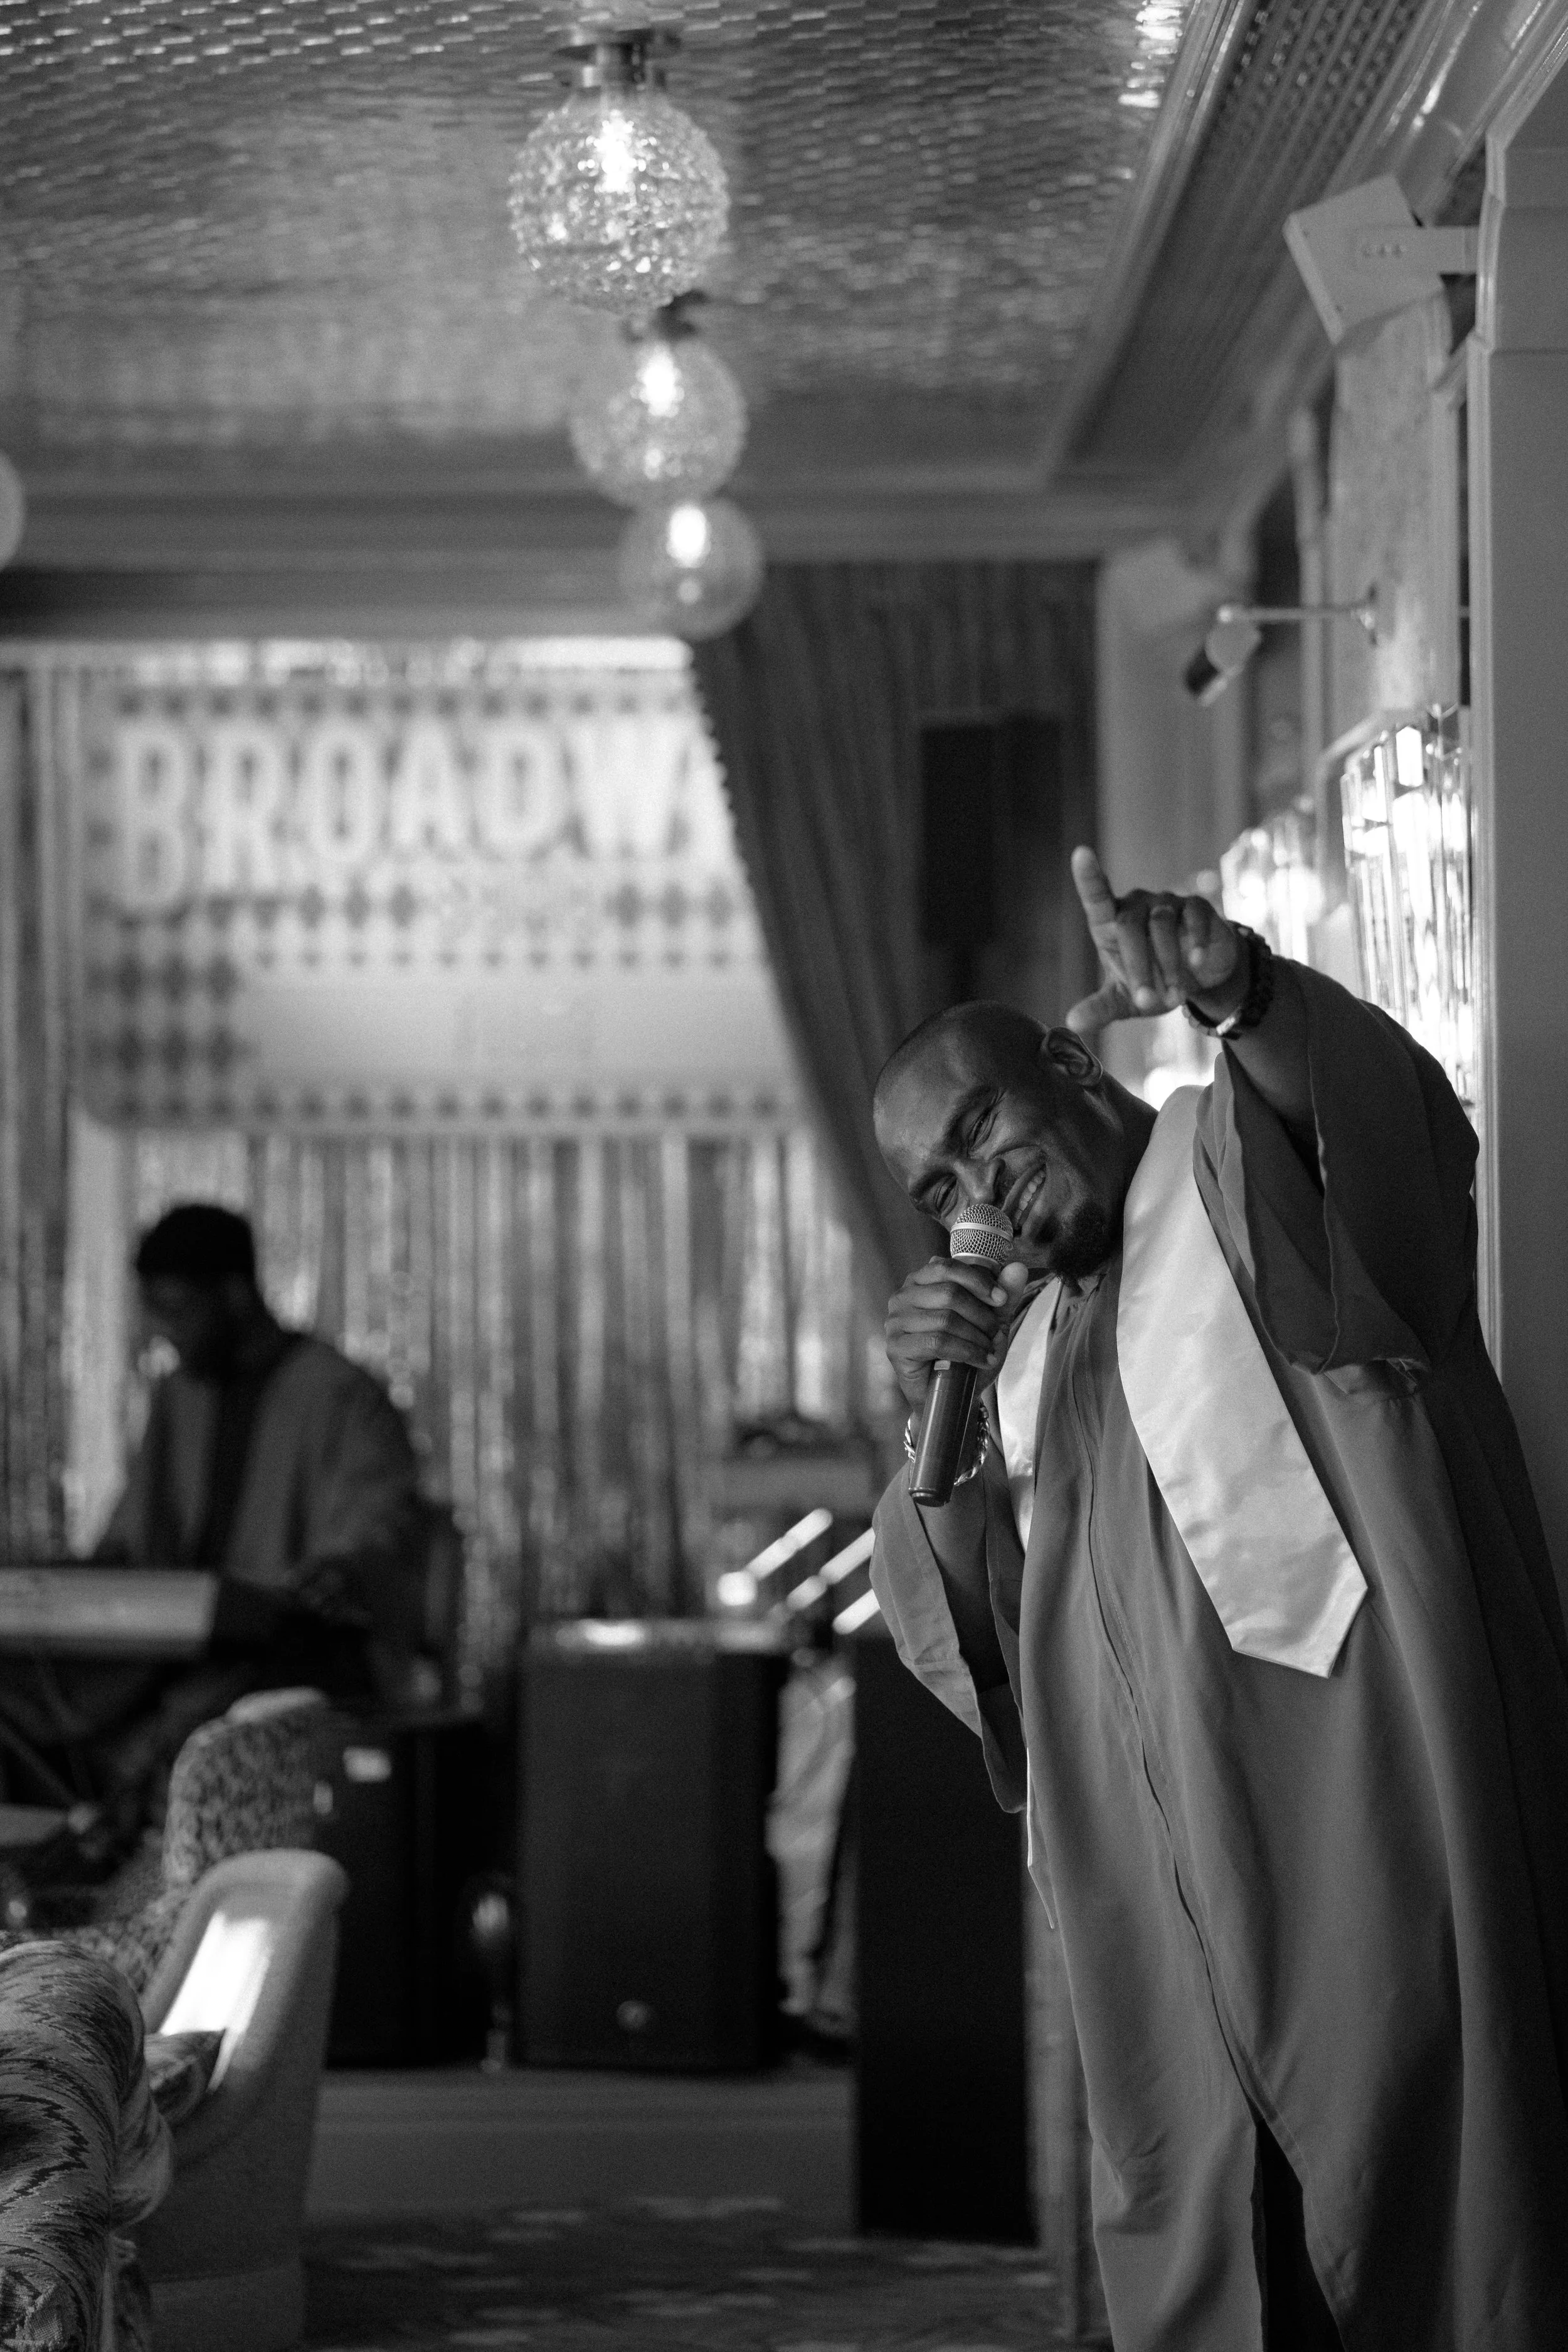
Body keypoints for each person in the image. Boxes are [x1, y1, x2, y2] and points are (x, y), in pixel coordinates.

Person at [869, 847, 1568, 2352]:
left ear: (1070, 1061)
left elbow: (1397, 1149)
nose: (976, 1189)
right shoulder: (1036, 1355)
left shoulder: (1249, 1181)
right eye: (937, 1188)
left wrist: (1241, 994)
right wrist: (932, 1446)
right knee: (1227, 2260)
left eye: (981, 1127)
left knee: (1426, 2235)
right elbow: (978, 1644)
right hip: (1162, 1915)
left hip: (1370, 1842)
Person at [0, 1202, 425, 1843]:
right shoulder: (181, 1397)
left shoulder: (337, 1394)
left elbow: (376, 1527)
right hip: (185, 1647)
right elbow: (131, 1542)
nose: (163, 1330)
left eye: (176, 1309)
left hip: (289, 1651)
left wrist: (336, 1570)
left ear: (234, 1293)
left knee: (198, 1716)